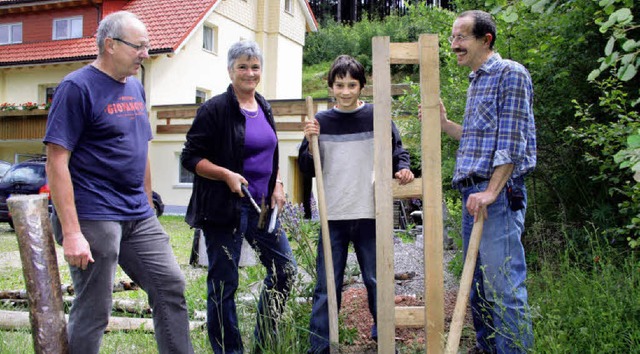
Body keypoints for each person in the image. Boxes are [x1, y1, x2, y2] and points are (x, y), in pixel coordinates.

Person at [43, 11, 194, 354]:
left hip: (136, 213)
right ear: (110, 45)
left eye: (147, 46)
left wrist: (147, 204)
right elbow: (56, 161)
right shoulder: (76, 88)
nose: (145, 53)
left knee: (170, 286)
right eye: (138, 46)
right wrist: (71, 231)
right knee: (95, 306)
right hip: (93, 212)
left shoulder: (136, 87)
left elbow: (141, 148)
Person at [181, 40, 297, 354]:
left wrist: (278, 183)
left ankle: (263, 342)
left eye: (255, 66)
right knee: (224, 283)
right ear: (231, 70)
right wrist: (226, 174)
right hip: (225, 208)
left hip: (262, 206)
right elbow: (190, 158)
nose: (249, 73)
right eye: (242, 66)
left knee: (284, 270)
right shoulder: (215, 108)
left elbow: (268, 154)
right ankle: (228, 351)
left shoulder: (264, 105)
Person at [298, 55, 414, 354]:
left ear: (362, 86)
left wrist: (402, 168)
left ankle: (383, 335)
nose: (346, 91)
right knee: (327, 287)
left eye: (352, 85)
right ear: (331, 87)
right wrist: (309, 141)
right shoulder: (320, 122)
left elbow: (397, 150)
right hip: (333, 214)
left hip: (370, 211)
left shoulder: (377, 116)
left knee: (376, 279)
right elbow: (307, 167)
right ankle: (320, 347)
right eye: (340, 85)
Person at [440, 10, 536, 354]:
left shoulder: (510, 74)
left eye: (461, 37)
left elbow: (511, 143)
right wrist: (445, 123)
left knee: (504, 287)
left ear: (486, 39)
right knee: (478, 285)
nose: (454, 45)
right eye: (453, 38)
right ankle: (488, 348)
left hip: (496, 196)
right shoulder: (477, 80)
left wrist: (491, 192)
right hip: (474, 194)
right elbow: (478, 139)